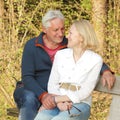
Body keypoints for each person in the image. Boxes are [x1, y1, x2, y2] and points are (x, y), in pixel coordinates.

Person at [13, 10, 115, 120]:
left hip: (62, 96)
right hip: (35, 89)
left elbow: (89, 57)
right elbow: (27, 77)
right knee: (29, 99)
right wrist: (44, 96)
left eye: (63, 29)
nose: (61, 34)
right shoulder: (32, 45)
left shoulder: (68, 44)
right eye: (56, 30)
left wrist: (106, 70)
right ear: (44, 29)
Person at [34, 19, 103, 120]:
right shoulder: (61, 55)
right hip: (58, 102)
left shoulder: (95, 60)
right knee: (41, 118)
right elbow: (52, 83)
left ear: (81, 37)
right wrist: (59, 103)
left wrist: (57, 99)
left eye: (71, 33)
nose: (67, 36)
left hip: (80, 104)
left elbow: (86, 90)